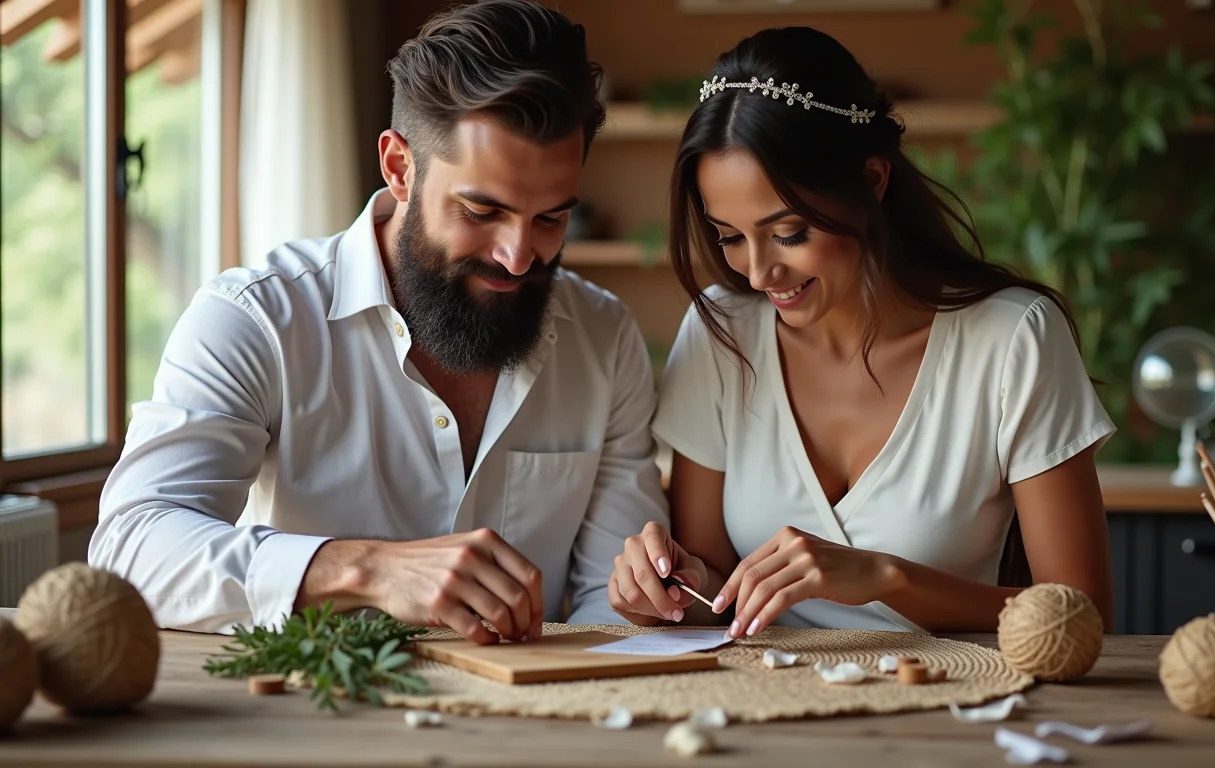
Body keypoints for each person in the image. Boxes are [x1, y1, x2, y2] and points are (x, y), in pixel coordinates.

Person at [90, 0, 669, 643]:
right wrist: (366, 568)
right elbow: (129, 549)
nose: (518, 256)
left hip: (538, 720)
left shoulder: (605, 339)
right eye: (481, 211)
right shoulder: (255, 321)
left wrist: (648, 598)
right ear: (398, 167)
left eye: (551, 218)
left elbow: (609, 603)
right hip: (312, 718)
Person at [608, 26, 1116, 638]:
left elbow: (1085, 616)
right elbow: (715, 595)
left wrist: (885, 578)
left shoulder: (1013, 339)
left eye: (790, 233)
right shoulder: (723, 331)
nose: (759, 270)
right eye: (730, 236)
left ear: (873, 181)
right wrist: (664, 589)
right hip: (756, 707)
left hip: (955, 709)